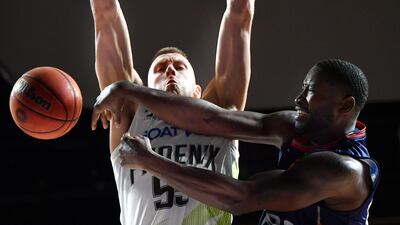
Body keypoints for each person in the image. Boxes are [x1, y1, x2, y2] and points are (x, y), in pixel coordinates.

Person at [92, 59, 380, 225]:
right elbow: (212, 120)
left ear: (345, 105)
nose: (298, 99)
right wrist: (128, 90)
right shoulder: (297, 126)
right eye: (302, 88)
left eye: (311, 92)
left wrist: (149, 160)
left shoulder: (344, 171)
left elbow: (239, 199)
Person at [89, 0, 255, 224]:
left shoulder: (221, 112)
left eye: (179, 67)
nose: (169, 70)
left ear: (198, 91)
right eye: (159, 68)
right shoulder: (128, 110)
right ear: (144, 90)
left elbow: (239, 15)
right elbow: (105, 13)